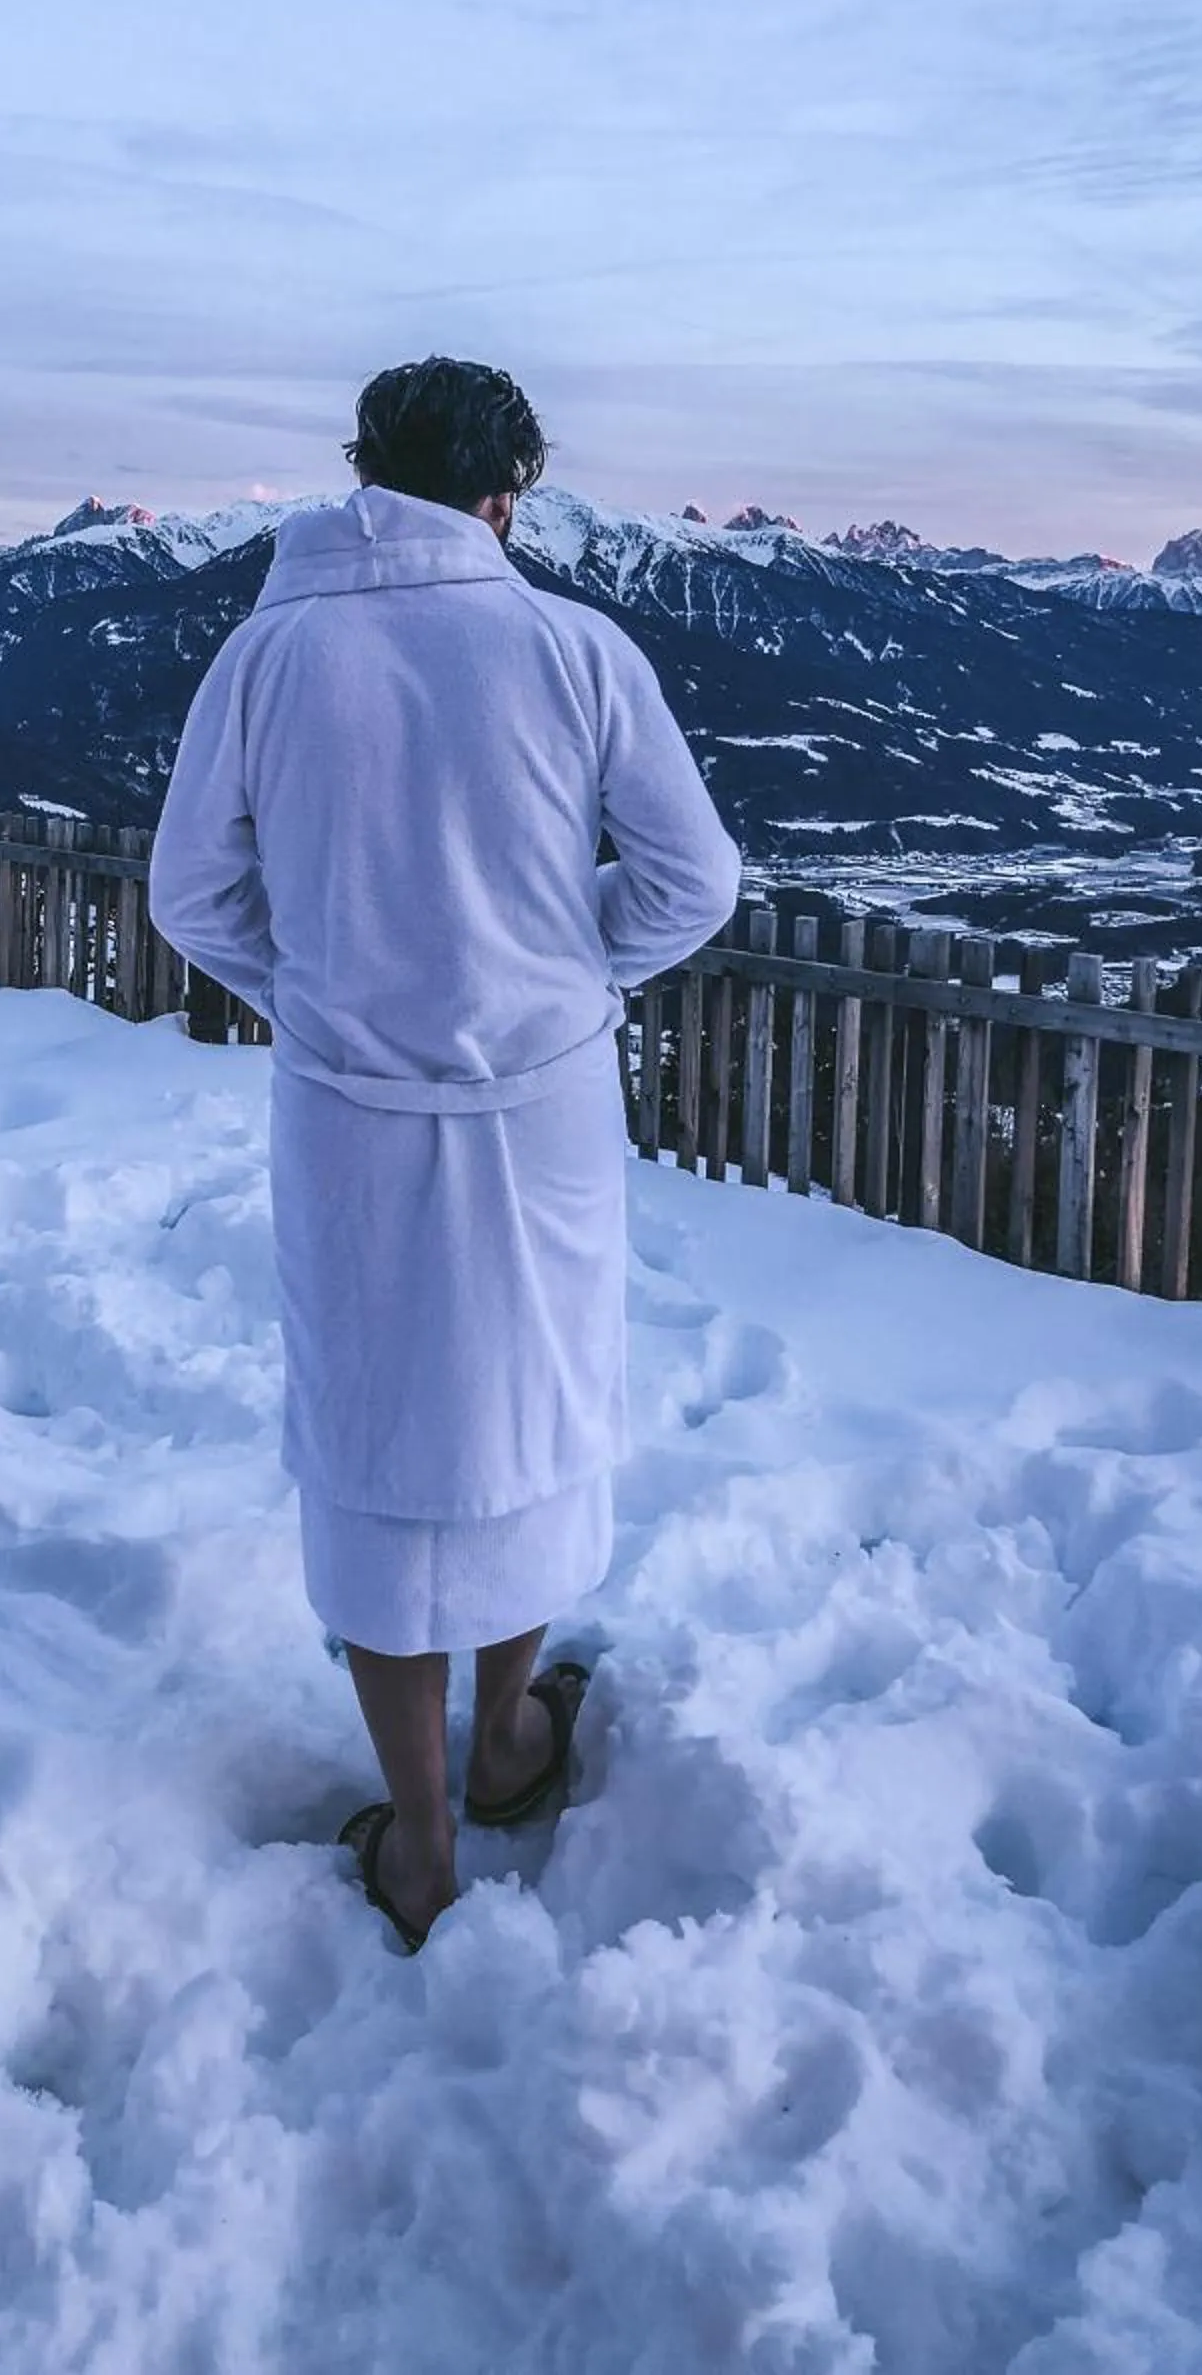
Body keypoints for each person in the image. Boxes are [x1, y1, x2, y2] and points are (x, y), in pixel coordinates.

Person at [148, 359, 740, 1947]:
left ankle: (417, 1837)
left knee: (375, 1433)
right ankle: (513, 1741)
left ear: (364, 473)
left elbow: (190, 898)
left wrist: (327, 992)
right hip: (536, 1110)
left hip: (347, 1109)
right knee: (525, 1404)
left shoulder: (269, 654)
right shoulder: (569, 649)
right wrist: (565, 971)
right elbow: (693, 881)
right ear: (501, 497)